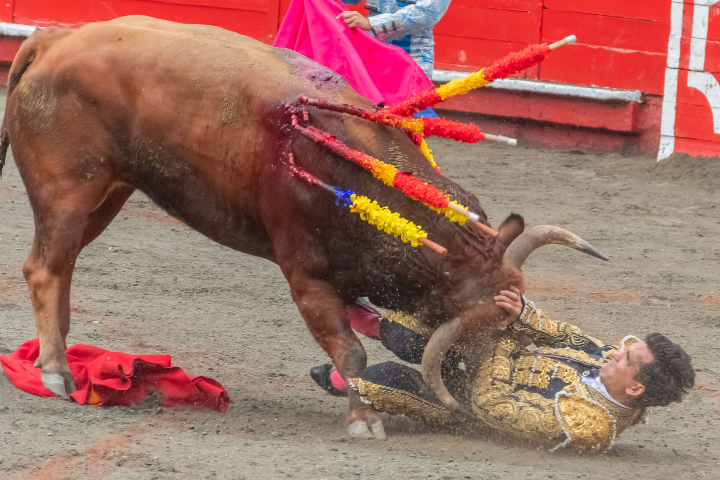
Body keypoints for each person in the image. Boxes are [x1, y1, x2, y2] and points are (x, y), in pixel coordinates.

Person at [310, 289, 695, 453]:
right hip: (491, 362)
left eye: (627, 359)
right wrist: (522, 313)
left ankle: (341, 379)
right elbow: (566, 335)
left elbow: (491, 404)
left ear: (636, 389)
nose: (616, 353)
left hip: (463, 407)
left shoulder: (588, 423)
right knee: (413, 335)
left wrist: (502, 341)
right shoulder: (614, 367)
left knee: (382, 380)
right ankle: (358, 313)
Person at [338, 1, 453, 80]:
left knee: (408, 105)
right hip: (371, 52)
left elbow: (427, 13)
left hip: (413, 55)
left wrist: (372, 24)